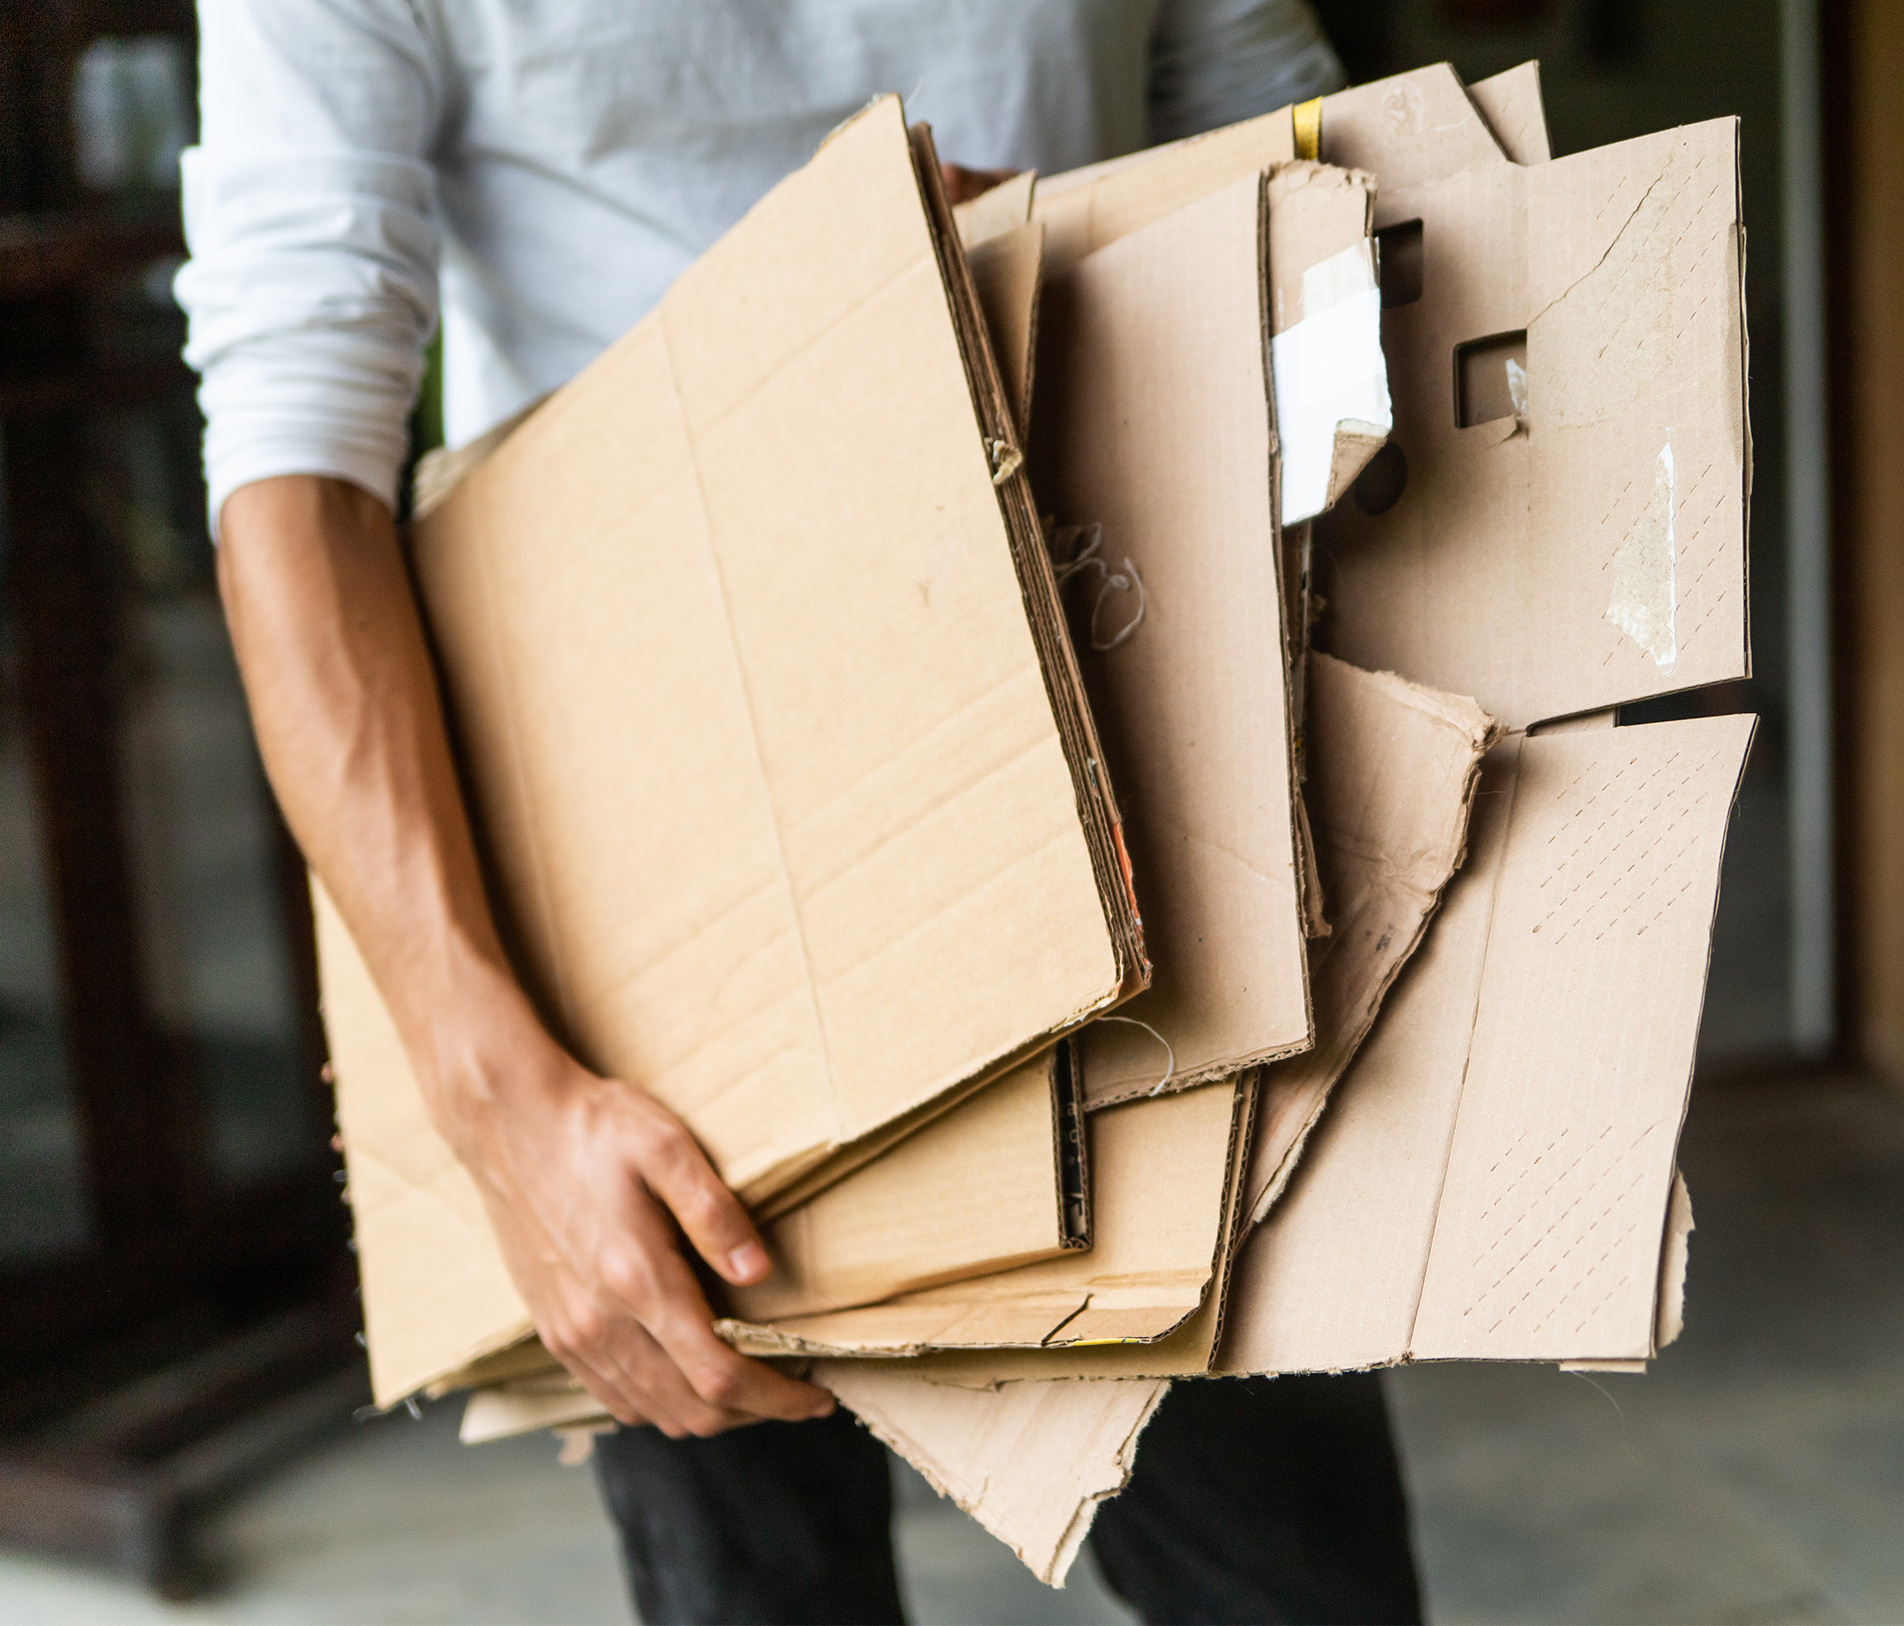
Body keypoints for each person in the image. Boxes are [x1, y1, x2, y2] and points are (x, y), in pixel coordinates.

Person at [177, 3, 1425, 1620]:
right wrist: (501, 1102)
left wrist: (1127, 257)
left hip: (1132, 773)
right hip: (648, 906)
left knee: (1294, 1583)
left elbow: (1344, 189)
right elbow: (293, 455)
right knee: (760, 1583)